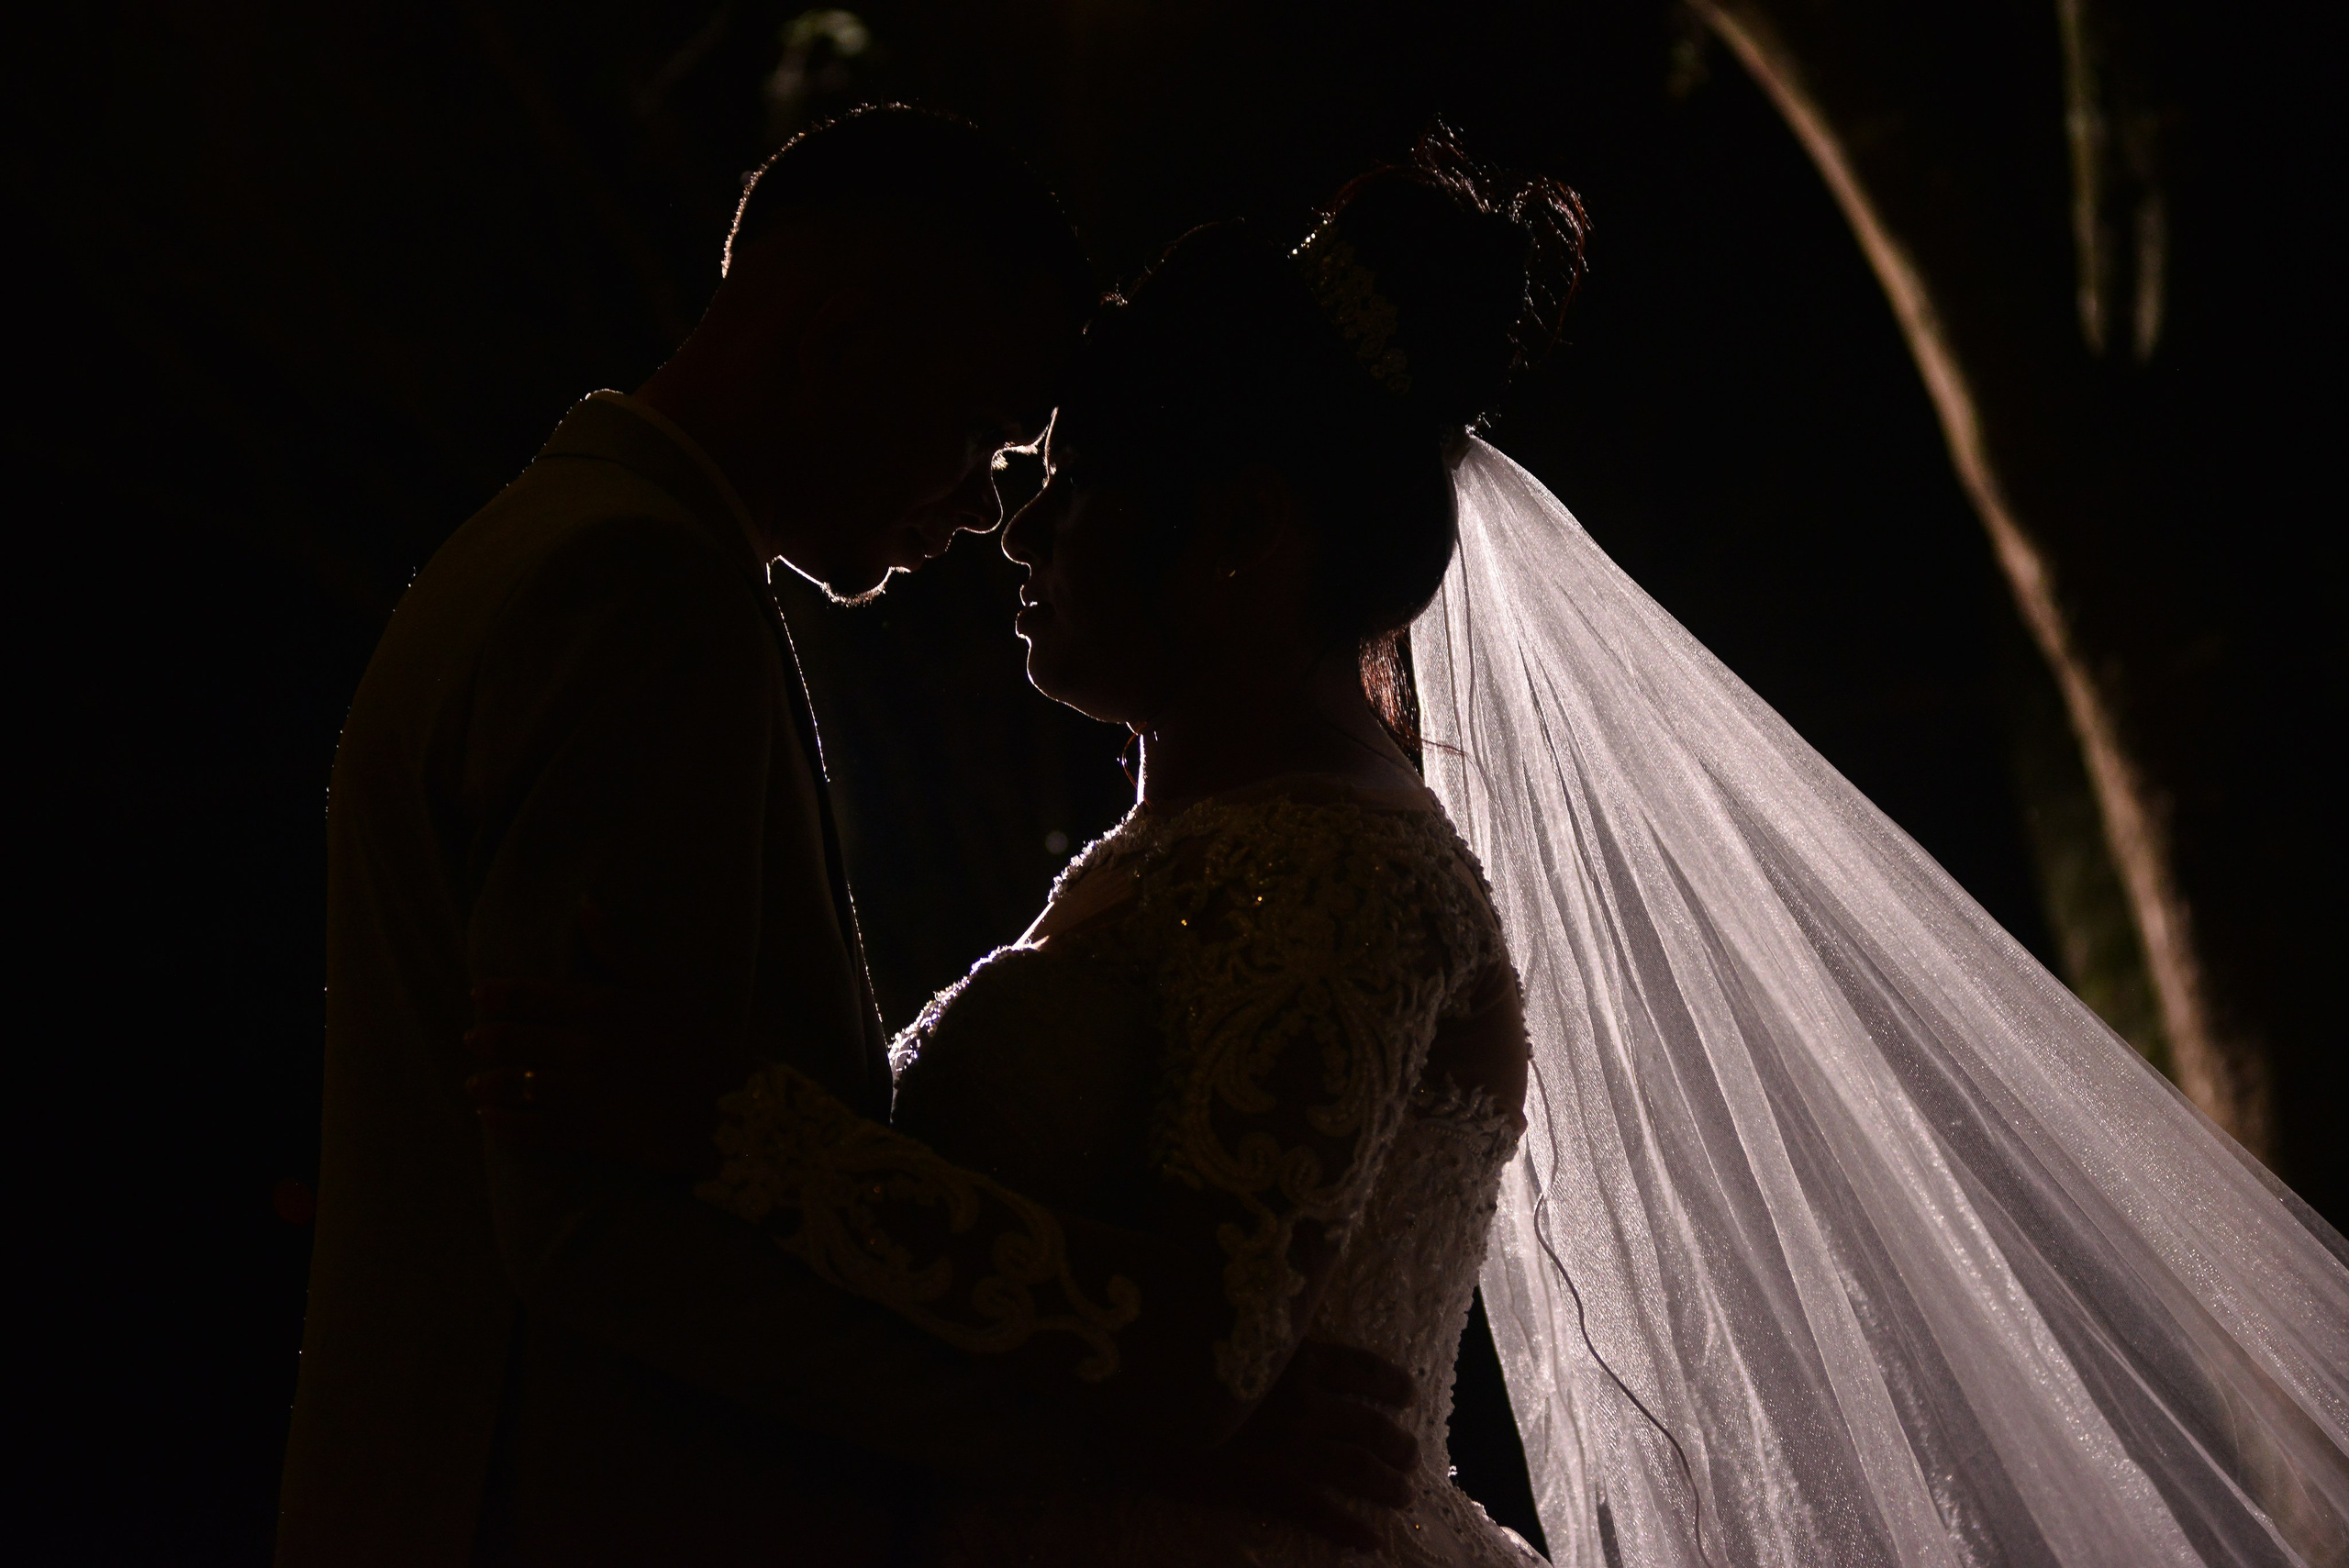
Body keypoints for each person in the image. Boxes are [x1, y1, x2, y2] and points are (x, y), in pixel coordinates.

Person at [475, 127, 2349, 1568]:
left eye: (1071, 493)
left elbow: (1200, 1351)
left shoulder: (1354, 881)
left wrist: (737, 1132)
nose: (1015, 536)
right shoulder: (1179, 856)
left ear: (1239, 540)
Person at [278, 106, 1417, 1568]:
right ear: (842, 340)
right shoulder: (638, 593)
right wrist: (1141, 1438)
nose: (986, 509)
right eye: (982, 434)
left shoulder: (568, 547)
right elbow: (603, 1227)